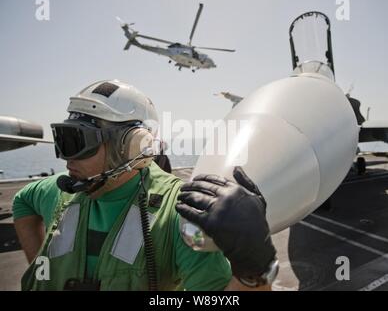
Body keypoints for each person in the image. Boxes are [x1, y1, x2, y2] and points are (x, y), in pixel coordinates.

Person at [13, 80, 277, 291]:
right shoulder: (60, 189)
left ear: (131, 147)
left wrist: (252, 270)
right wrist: (40, 269)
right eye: (63, 139)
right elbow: (23, 201)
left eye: (78, 140)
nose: (66, 156)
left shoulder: (181, 214)